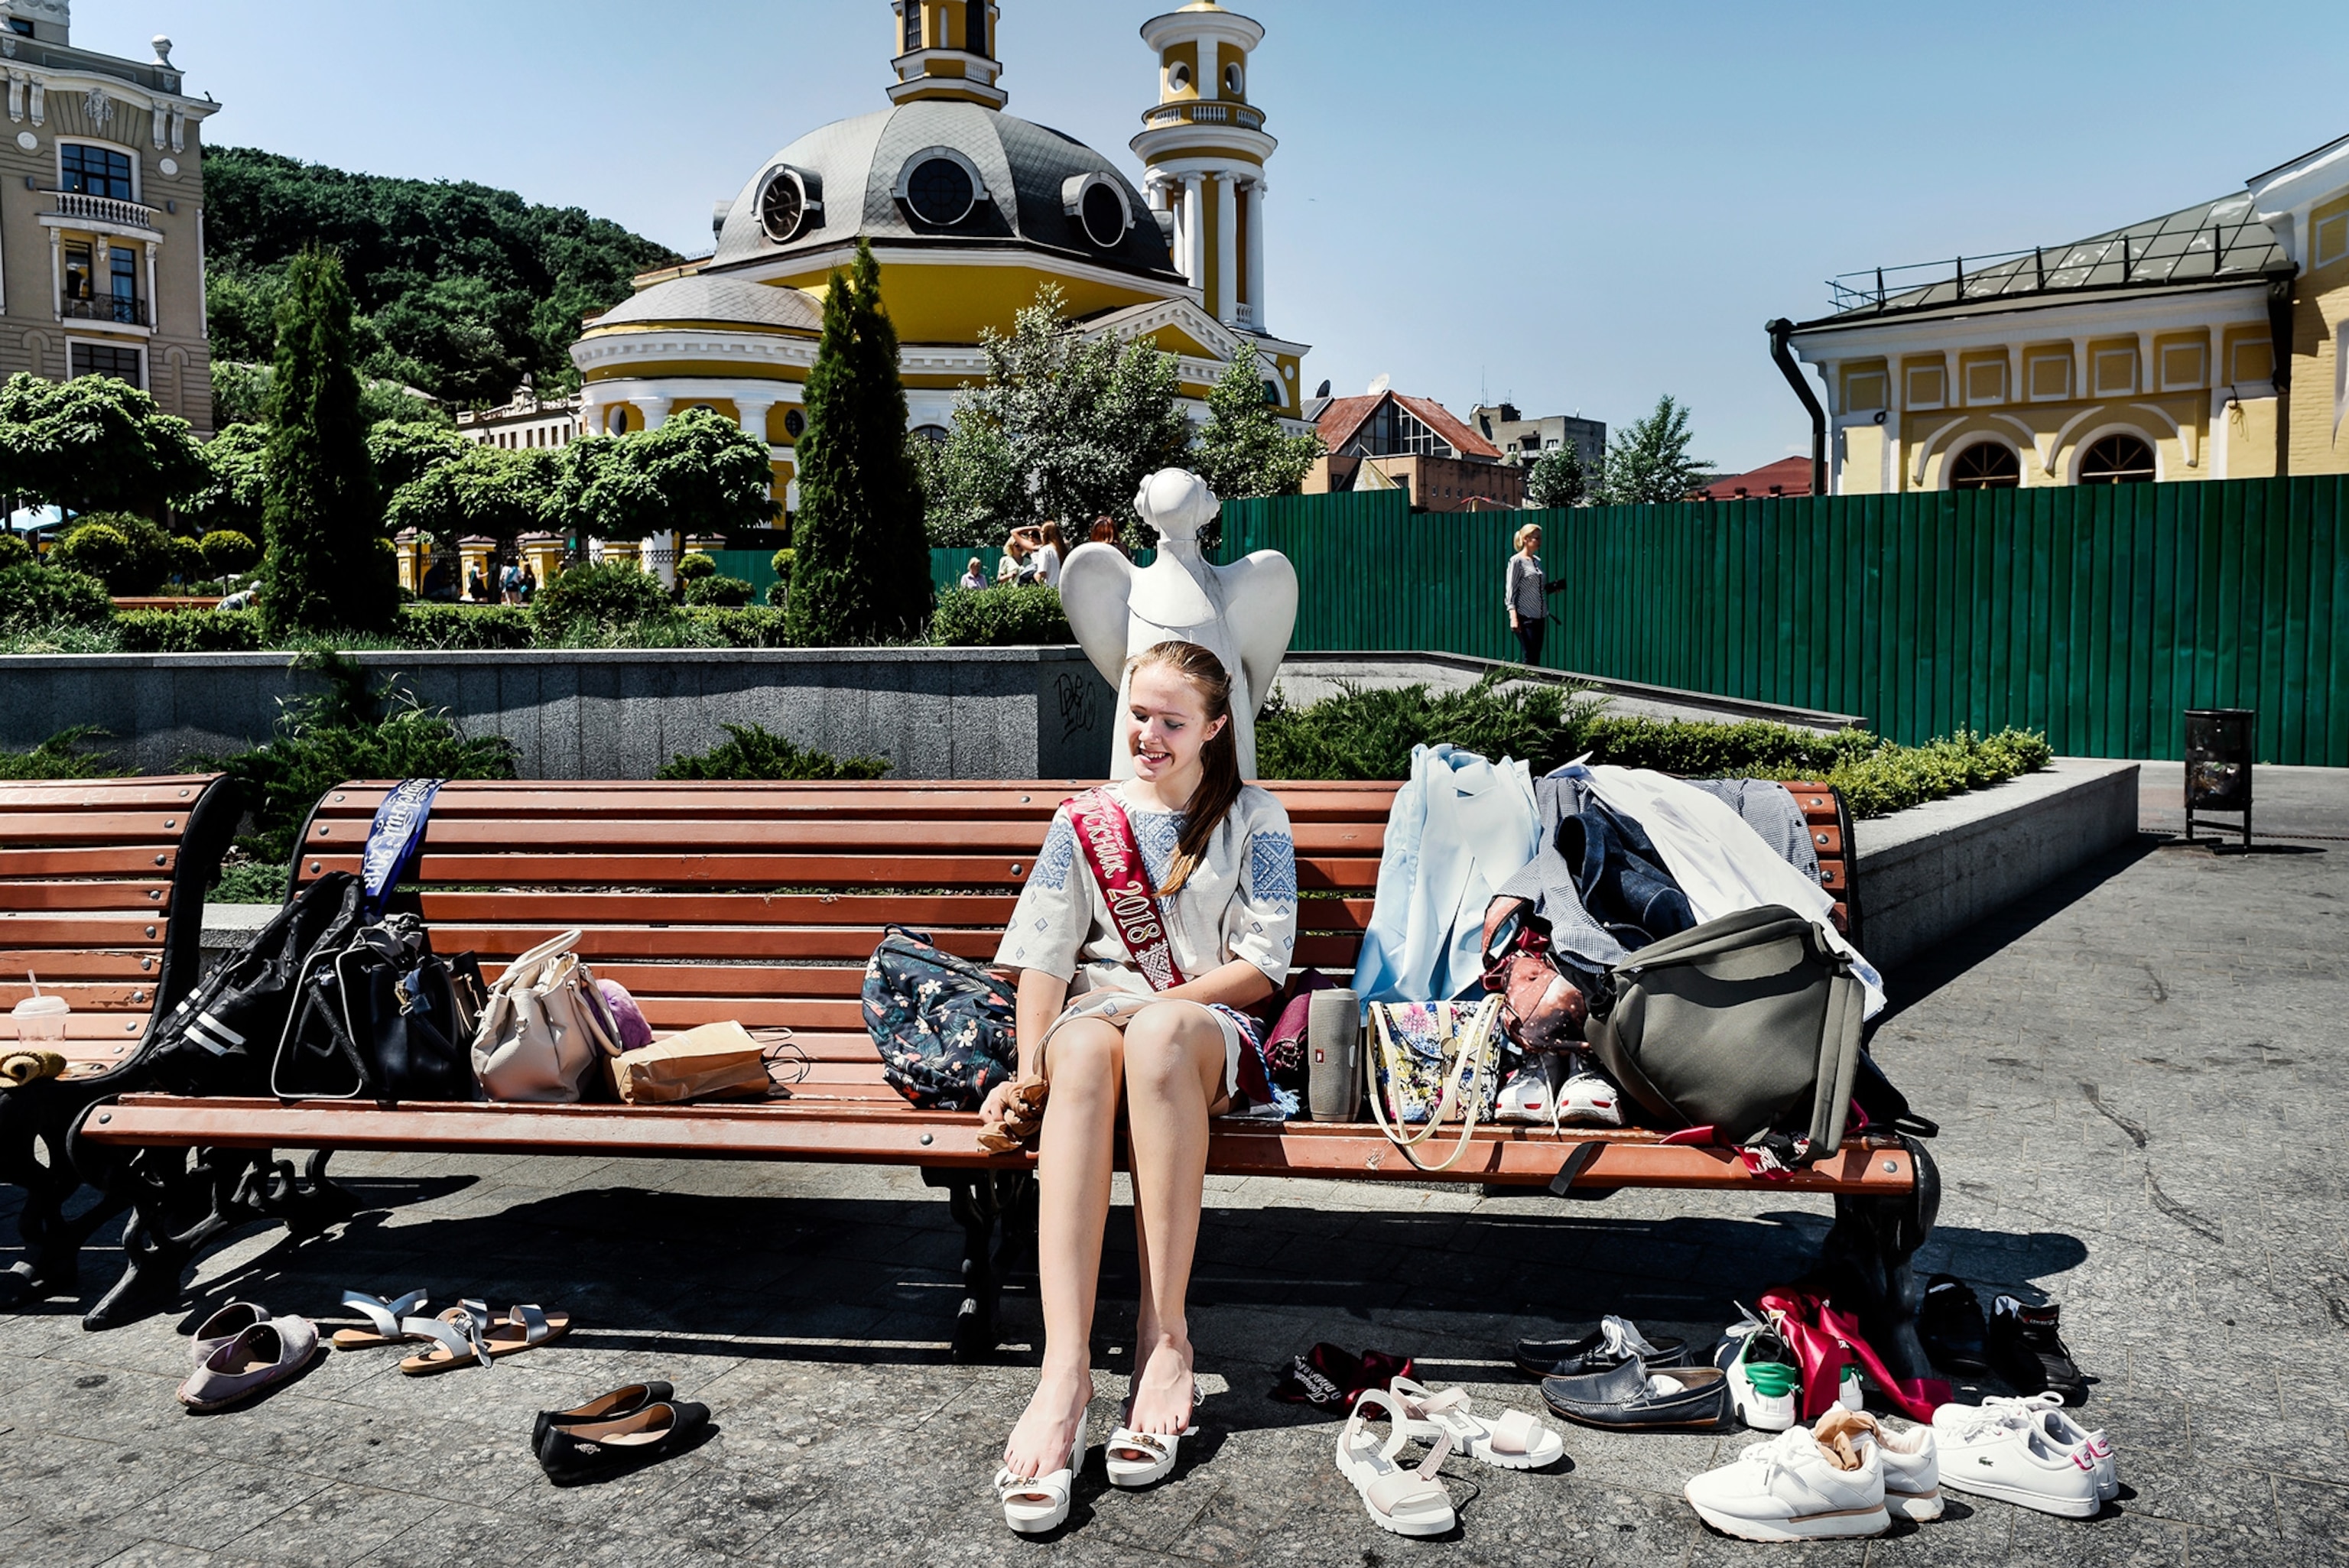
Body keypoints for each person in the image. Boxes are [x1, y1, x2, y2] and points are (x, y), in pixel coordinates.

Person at [983, 640, 1297, 1531]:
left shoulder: (1254, 816)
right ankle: (1066, 1371)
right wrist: (1027, 1069)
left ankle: (1166, 1340)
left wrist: (1147, 1006)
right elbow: (1044, 956)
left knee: (1153, 1031)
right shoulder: (1083, 819)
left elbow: (1260, 965)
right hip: (1100, 1032)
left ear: (1215, 727)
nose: (1148, 735)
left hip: (1201, 1031)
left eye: (1170, 720)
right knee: (1081, 1049)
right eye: (1138, 715)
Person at [1506, 522, 1570, 665]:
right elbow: (1511, 590)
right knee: (1529, 656)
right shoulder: (1516, 561)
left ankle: (1530, 685)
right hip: (1525, 616)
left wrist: (1550, 588)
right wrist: (1513, 618)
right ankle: (1521, 684)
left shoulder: (1537, 561)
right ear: (1525, 539)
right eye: (1536, 538)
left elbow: (1534, 586)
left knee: (1536, 656)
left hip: (1540, 616)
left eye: (1540, 538)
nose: (1540, 541)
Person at [1034, 521, 1066, 589]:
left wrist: (1036, 576)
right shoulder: (1064, 550)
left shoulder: (1045, 550)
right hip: (1064, 589)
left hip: (1051, 589)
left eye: (1042, 532)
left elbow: (1042, 574)